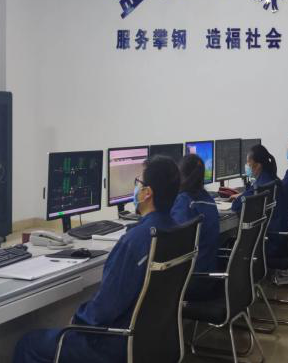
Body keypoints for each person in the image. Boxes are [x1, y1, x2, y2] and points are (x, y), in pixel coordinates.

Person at [13, 156, 181, 363]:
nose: (136, 187)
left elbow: (105, 308)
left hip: (115, 344)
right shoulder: (175, 232)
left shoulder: (135, 242)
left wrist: (77, 320)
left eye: (139, 182)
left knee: (28, 343)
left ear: (147, 193)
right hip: (155, 341)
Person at [170, 153, 219, 300]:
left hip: (191, 281)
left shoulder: (184, 202)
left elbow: (173, 240)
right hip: (207, 276)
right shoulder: (209, 200)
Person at [232, 144, 288, 261]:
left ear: (258, 165)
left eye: (248, 163)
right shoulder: (273, 180)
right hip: (279, 239)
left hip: (269, 244)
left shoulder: (260, 187)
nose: (247, 166)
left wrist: (243, 195)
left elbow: (236, 205)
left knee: (229, 242)